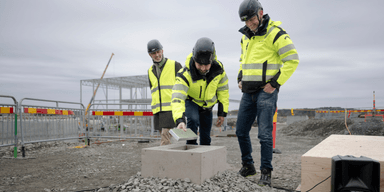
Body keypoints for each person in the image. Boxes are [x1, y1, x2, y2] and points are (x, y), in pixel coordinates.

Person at [236, 0, 299, 186]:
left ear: (261, 13)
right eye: (245, 21)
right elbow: (243, 60)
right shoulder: (245, 37)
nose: (249, 24)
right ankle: (248, 166)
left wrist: (275, 83)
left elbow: (293, 60)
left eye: (252, 19)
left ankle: (266, 172)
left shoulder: (276, 34)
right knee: (240, 131)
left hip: (266, 92)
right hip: (248, 92)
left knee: (264, 134)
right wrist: (241, 77)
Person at [171, 37, 229, 145]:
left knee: (206, 138)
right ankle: (191, 149)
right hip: (192, 102)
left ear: (212, 61)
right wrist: (180, 120)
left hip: (207, 106)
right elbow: (177, 97)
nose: (203, 68)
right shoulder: (185, 73)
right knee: (193, 119)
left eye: (206, 65)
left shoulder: (219, 71)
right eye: (199, 64)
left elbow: (223, 90)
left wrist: (222, 112)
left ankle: (205, 157)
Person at [147, 39, 182, 146]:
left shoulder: (175, 65)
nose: (157, 55)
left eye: (158, 51)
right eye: (154, 53)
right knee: (163, 136)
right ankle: (170, 158)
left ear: (162, 50)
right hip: (158, 110)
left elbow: (184, 86)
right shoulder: (150, 71)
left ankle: (164, 160)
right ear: (150, 55)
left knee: (165, 136)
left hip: (171, 108)